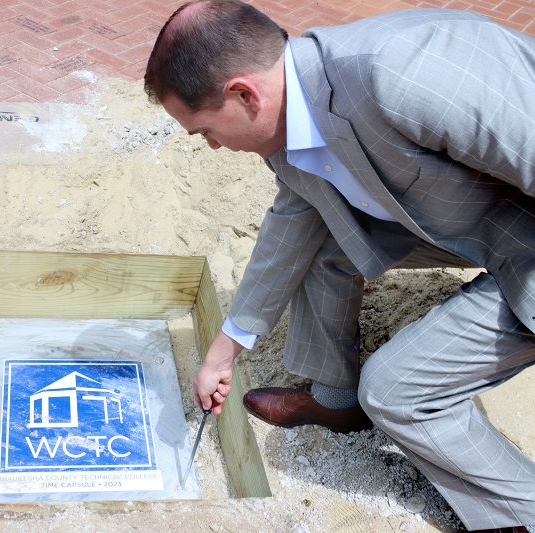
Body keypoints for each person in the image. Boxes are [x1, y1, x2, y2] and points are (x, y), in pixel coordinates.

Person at [144, 1, 535, 531]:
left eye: (206, 130)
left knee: (395, 391)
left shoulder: (399, 74)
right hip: (478, 217)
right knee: (325, 238)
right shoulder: (288, 120)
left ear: (243, 94)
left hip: (525, 243)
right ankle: (336, 400)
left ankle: (520, 512)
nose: (212, 146)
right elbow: (292, 226)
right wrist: (226, 346)